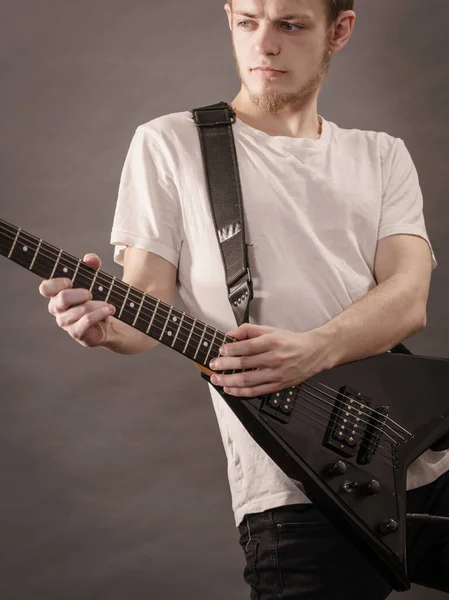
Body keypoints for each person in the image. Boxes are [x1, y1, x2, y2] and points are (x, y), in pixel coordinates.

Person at [39, 0, 449, 597]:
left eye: (290, 24)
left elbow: (410, 298)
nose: (264, 45)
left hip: (418, 457)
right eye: (247, 22)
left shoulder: (381, 155)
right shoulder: (169, 143)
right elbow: (145, 303)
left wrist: (314, 349)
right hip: (293, 487)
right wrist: (107, 328)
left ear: (339, 30)